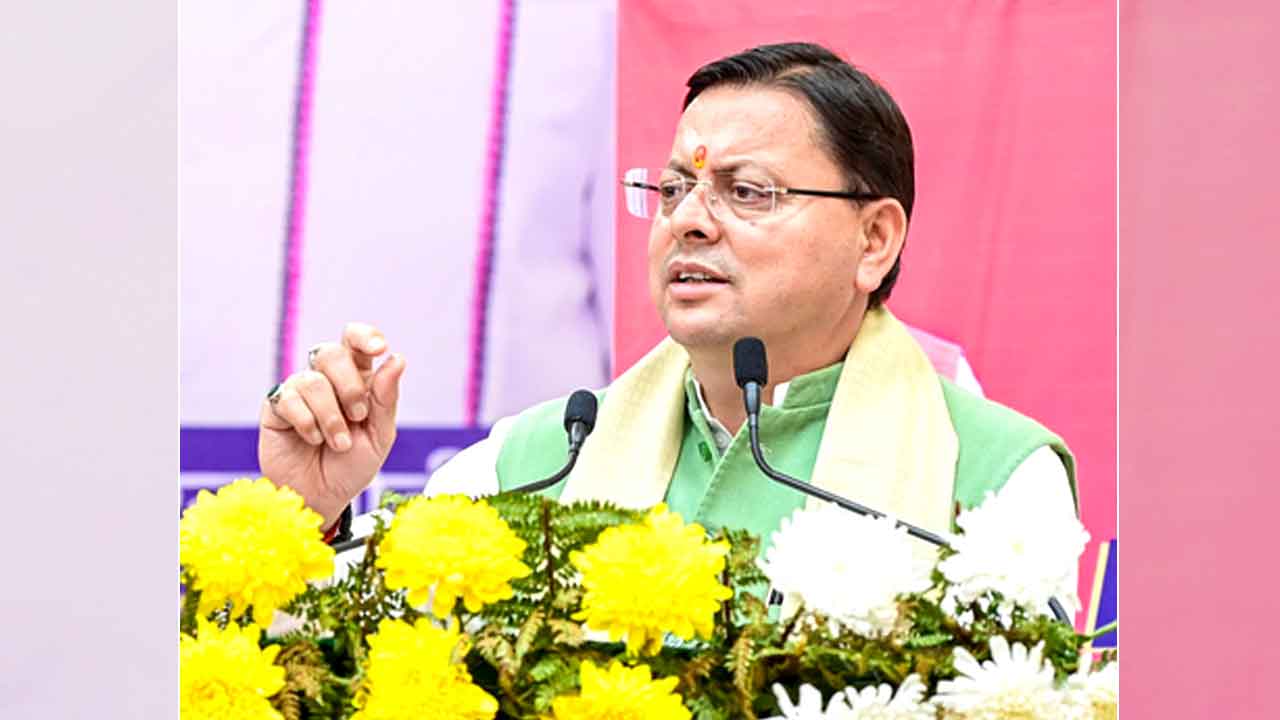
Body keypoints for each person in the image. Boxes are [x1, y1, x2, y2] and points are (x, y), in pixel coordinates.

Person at [258, 42, 1078, 607]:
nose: (688, 220)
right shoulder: (539, 460)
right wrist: (308, 513)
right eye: (676, 188)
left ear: (874, 240)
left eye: (747, 192)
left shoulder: (992, 480)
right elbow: (359, 671)